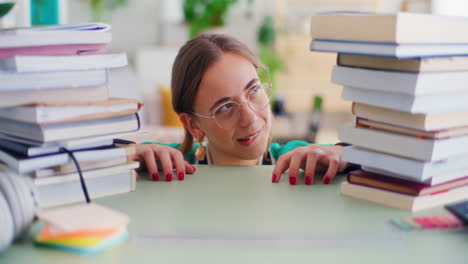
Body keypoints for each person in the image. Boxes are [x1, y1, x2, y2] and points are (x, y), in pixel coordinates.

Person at [130, 33, 351, 185]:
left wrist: (343, 154)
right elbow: (103, 156)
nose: (250, 119)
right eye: (225, 107)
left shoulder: (294, 160)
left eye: (253, 91)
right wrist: (128, 155)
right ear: (193, 125)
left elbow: (370, 159)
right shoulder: (170, 162)